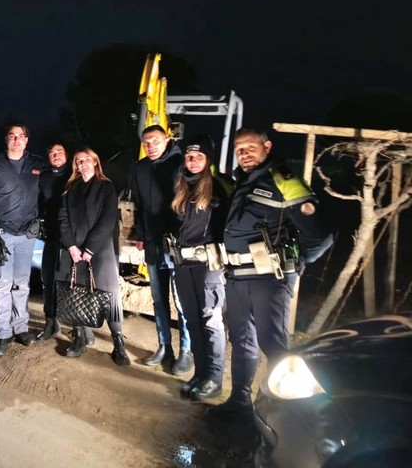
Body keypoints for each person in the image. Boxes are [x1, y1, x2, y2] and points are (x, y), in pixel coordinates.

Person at [210, 128, 333, 420]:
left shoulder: (283, 179)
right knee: (242, 340)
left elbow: (320, 234)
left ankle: (287, 414)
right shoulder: (242, 182)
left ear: (267, 146)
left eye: (250, 147)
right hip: (238, 276)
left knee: (273, 344)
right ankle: (239, 402)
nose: (243, 154)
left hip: (269, 280)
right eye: (239, 149)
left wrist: (299, 261)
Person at [0, 123, 44, 357]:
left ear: (27, 140)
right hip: (2, 235)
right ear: (6, 140)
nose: (16, 140)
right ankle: (4, 333)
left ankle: (21, 328)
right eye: (12, 136)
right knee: (2, 285)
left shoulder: (36, 164)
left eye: (20, 136)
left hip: (27, 235)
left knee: (22, 283)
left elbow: (51, 188)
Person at [168, 136, 230, 401]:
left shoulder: (219, 188)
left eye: (199, 157)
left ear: (208, 160)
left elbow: (228, 227)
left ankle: (214, 379)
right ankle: (201, 373)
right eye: (189, 157)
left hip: (208, 263)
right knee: (191, 319)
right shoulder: (181, 186)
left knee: (210, 320)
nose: (193, 161)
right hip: (183, 262)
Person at [57, 147, 131, 366]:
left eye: (87, 159)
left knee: (109, 295)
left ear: (96, 162)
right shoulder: (70, 188)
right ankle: (80, 337)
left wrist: (89, 249)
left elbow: (108, 220)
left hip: (100, 250)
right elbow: (63, 218)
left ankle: (118, 342)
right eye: (79, 161)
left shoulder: (106, 187)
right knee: (78, 292)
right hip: (75, 250)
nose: (83, 163)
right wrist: (71, 246)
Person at [131, 125, 192, 374]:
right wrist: (141, 234)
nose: (150, 146)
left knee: (182, 300)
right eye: (146, 143)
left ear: (167, 139)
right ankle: (164, 347)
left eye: (155, 141)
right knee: (158, 300)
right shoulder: (140, 168)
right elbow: (139, 204)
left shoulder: (181, 164)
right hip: (153, 243)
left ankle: (186, 350)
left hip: (178, 245)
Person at [37, 142, 72, 341]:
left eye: (59, 151)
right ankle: (51, 322)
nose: (55, 155)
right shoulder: (44, 178)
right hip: (51, 236)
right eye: (51, 153)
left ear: (67, 155)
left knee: (74, 282)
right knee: (48, 279)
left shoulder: (75, 175)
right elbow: (38, 203)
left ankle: (81, 328)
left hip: (73, 239)